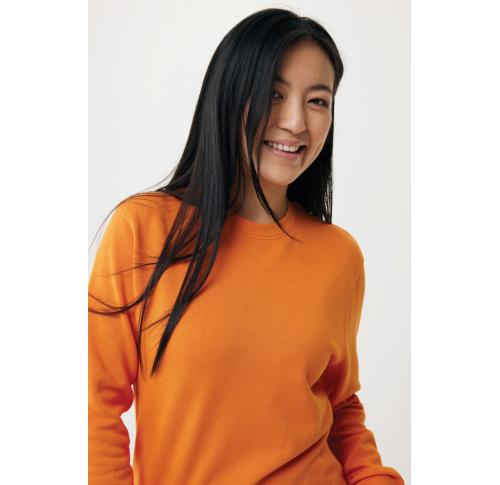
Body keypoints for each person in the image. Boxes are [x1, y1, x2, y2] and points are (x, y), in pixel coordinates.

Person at [88, 8, 405, 485]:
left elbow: (340, 406)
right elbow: (93, 406)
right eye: (274, 94)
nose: (295, 121)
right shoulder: (143, 230)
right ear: (229, 94)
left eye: (317, 101)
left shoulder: (340, 256)